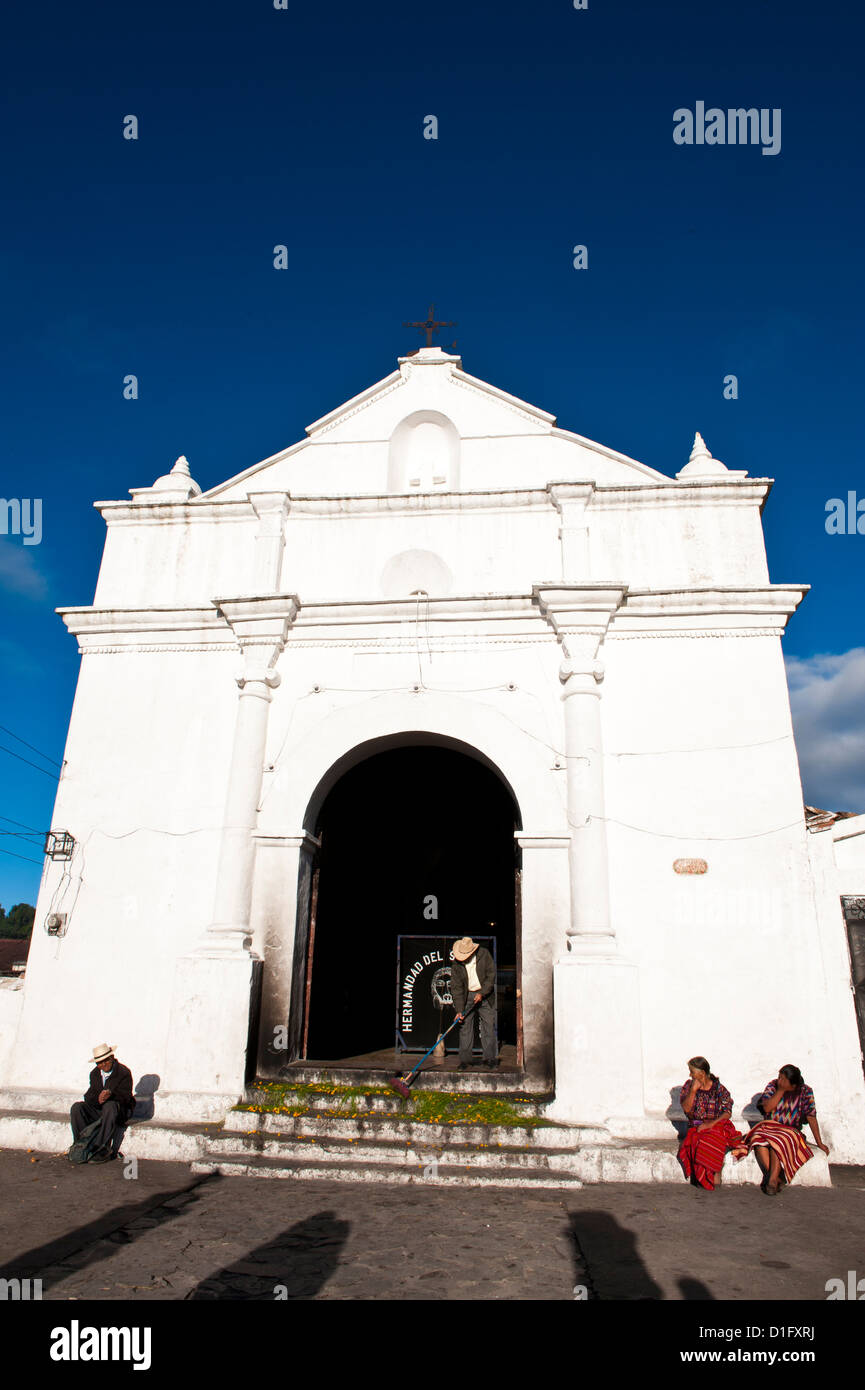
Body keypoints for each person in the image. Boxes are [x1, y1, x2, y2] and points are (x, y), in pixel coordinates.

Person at [732, 1064, 829, 1195]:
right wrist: (780, 1091)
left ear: (793, 1085)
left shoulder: (805, 1092)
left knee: (777, 1140)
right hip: (769, 1127)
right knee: (757, 1139)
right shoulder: (773, 1087)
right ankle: (775, 1177)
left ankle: (771, 1180)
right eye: (779, 1077)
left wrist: (819, 1142)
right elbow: (767, 1108)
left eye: (783, 1079)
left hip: (790, 1131)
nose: (780, 1081)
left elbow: (811, 1116)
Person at [677, 1055, 742, 1190]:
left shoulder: (719, 1089)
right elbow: (686, 1109)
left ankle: (713, 1179)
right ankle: (706, 1180)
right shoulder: (688, 1087)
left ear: (702, 1073)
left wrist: (710, 1124)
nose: (690, 1074)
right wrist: (693, 1091)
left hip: (716, 1126)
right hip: (696, 1127)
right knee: (697, 1141)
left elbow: (727, 1112)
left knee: (712, 1141)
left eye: (692, 1071)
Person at [70, 1043, 135, 1163]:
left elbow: (126, 1097)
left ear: (112, 1057)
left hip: (118, 1111)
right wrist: (98, 1100)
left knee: (110, 1106)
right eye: (100, 1062)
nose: (103, 1064)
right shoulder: (95, 1074)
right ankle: (81, 1144)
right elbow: (89, 1096)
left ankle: (101, 1148)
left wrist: (111, 1096)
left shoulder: (123, 1072)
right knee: (77, 1108)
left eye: (106, 1061)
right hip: (101, 1110)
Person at [450, 937, 497, 1071]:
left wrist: (482, 992)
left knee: (488, 1026)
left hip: (485, 996)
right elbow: (457, 988)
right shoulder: (456, 965)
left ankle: (490, 1059)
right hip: (467, 996)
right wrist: (459, 1010)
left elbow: (491, 975)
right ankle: (465, 1061)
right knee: (464, 1027)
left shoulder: (484, 955)